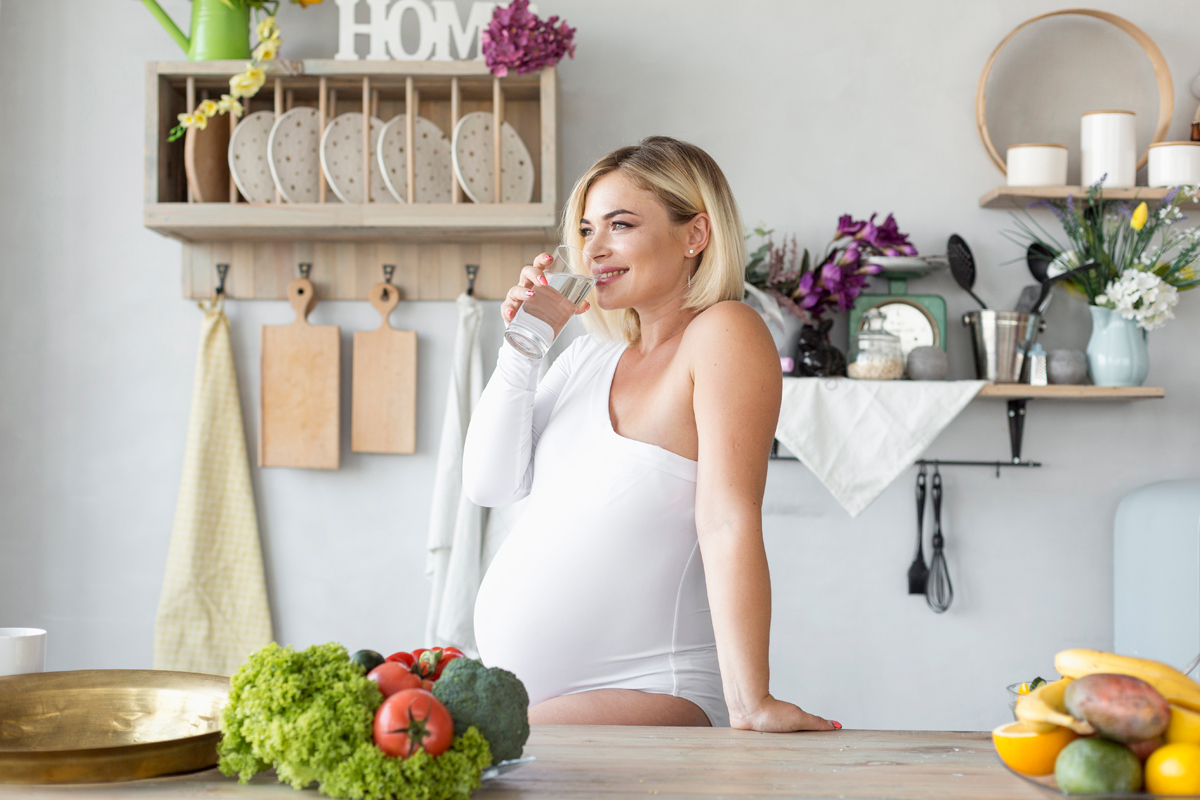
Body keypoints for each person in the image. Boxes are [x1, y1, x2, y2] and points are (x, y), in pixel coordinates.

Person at [463, 136, 839, 732]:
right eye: (585, 230)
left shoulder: (723, 333)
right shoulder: (587, 357)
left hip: (651, 689)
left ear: (695, 235)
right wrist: (524, 344)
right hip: (537, 701)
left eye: (620, 225)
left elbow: (728, 519)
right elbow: (489, 484)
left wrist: (751, 702)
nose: (594, 250)